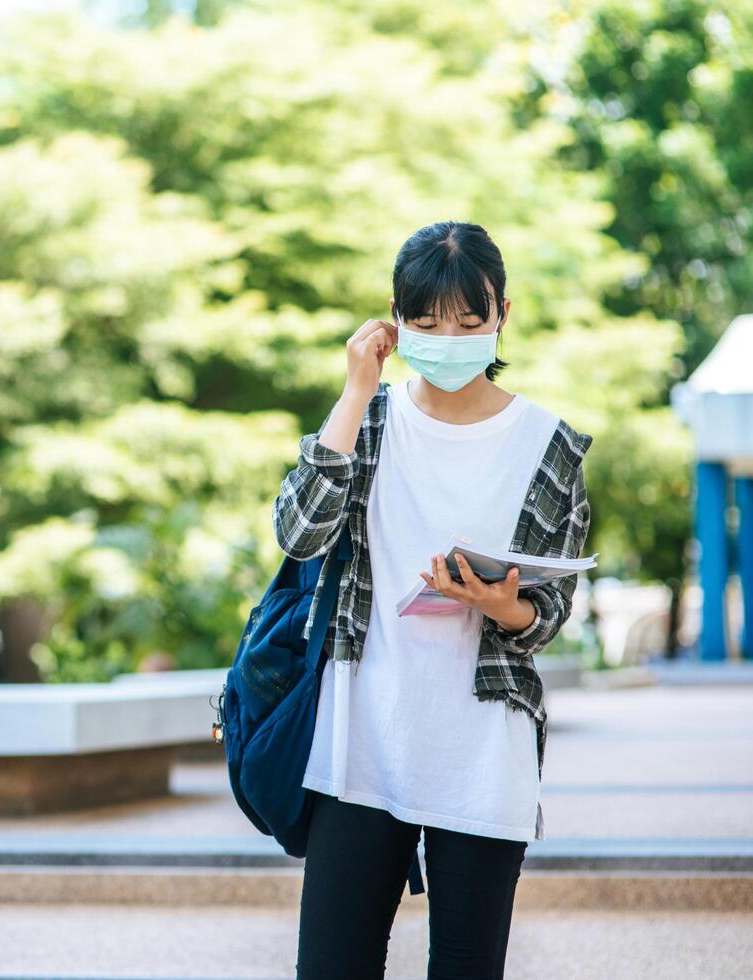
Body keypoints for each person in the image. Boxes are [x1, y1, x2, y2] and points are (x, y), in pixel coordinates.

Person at [273, 221, 593, 979]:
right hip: (362, 733)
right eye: (424, 322)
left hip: (481, 745)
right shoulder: (370, 422)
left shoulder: (547, 442)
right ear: (394, 320)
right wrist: (355, 389)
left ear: (501, 316)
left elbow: (545, 618)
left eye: (468, 321)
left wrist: (496, 601)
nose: (447, 336)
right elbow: (298, 533)